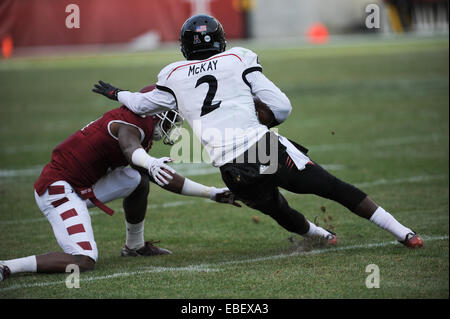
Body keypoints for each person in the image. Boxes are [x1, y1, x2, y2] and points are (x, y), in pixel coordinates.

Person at [88, 14, 423, 253]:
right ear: (220, 41)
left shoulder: (173, 73)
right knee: (334, 188)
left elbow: (143, 103)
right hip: (263, 149)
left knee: (279, 210)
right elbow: (281, 107)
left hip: (230, 169)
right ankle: (404, 234)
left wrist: (117, 93)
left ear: (185, 47)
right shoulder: (238, 57)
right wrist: (264, 121)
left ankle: (322, 236)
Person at [0, 84, 239, 282]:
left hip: (80, 185)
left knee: (137, 179)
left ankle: (133, 247)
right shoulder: (129, 124)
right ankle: (7, 266)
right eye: (170, 116)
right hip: (59, 190)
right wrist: (149, 161)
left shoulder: (139, 125)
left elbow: (161, 177)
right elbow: (129, 147)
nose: (172, 124)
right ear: (154, 110)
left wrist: (211, 193)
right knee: (83, 259)